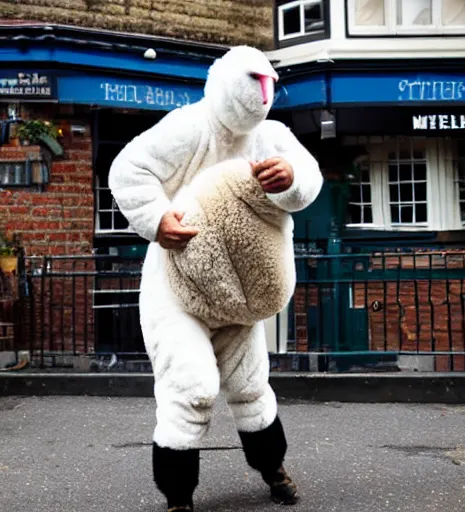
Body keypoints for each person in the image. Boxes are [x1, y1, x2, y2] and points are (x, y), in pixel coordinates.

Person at [109, 45, 323, 512]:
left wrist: (292, 177)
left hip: (239, 292)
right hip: (176, 289)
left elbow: (310, 176)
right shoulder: (189, 127)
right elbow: (128, 169)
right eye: (253, 82)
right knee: (192, 386)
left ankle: (273, 469)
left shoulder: (272, 136)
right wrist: (157, 218)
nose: (261, 96)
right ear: (225, 81)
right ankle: (179, 497)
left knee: (250, 386)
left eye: (270, 85)